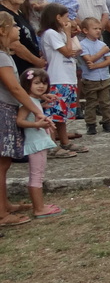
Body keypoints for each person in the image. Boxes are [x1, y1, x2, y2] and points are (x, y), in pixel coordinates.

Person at [0, 13, 46, 229]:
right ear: (3, 30)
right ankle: (2, 213)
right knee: (2, 164)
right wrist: (34, 110)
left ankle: (5, 204)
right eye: (14, 26)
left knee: (5, 163)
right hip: (3, 110)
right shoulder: (2, 56)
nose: (19, 29)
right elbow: (15, 87)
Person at [39, 4, 83, 158]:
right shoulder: (51, 33)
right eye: (66, 16)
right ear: (58, 17)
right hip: (57, 78)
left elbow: (75, 49)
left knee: (62, 115)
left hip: (67, 78)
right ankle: (52, 146)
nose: (69, 20)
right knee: (54, 113)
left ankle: (65, 141)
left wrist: (69, 34)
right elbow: (67, 52)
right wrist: (67, 33)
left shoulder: (60, 33)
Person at [18, 68, 62, 217]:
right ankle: (39, 209)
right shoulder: (27, 102)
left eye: (44, 83)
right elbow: (20, 121)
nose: (41, 86)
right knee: (37, 176)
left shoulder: (33, 100)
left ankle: (40, 205)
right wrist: (37, 125)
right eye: (36, 83)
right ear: (27, 84)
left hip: (39, 142)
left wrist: (42, 102)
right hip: (36, 143)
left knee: (38, 175)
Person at [76, 16, 110, 135]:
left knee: (106, 102)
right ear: (85, 30)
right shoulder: (83, 45)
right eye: (94, 28)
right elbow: (89, 60)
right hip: (91, 79)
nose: (98, 31)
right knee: (91, 102)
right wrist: (102, 52)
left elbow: (109, 60)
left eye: (99, 28)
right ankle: (91, 124)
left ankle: (107, 121)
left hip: (104, 77)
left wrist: (96, 66)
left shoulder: (102, 43)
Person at [0, 0, 45, 75]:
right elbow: (14, 44)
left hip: (29, 67)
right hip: (16, 67)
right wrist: (37, 62)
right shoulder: (3, 14)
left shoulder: (19, 12)